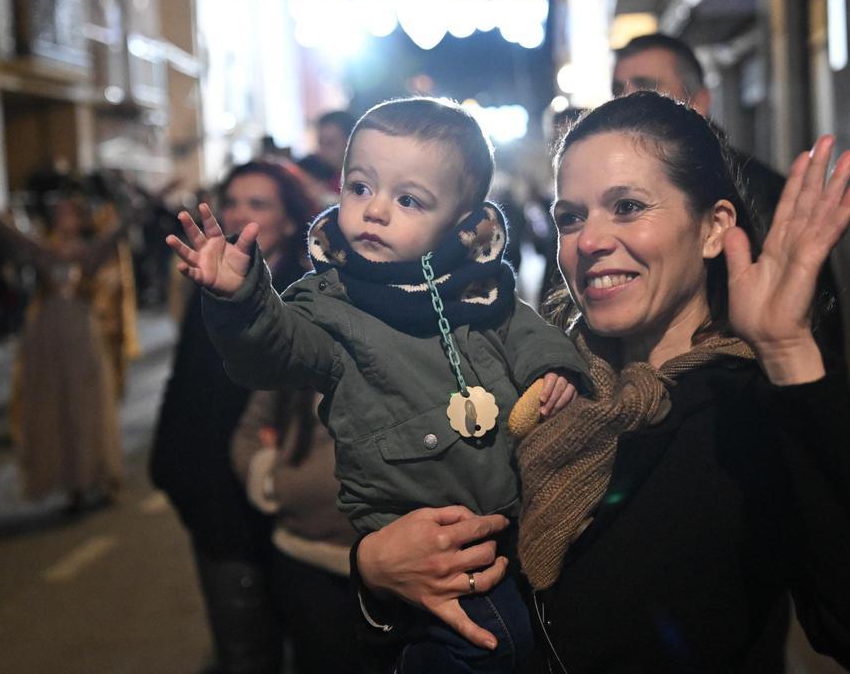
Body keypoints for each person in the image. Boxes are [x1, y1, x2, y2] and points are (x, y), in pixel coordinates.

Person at [352, 92, 850, 673]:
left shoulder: (752, 405)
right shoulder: (529, 382)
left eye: (629, 207)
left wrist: (789, 352)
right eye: (572, 216)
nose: (590, 240)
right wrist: (375, 570)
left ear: (714, 227)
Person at [169, 97, 591, 673]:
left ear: (464, 223)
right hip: (410, 539)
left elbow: (524, 329)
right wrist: (241, 299)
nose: (375, 211)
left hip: (508, 524)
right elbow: (273, 350)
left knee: (519, 640)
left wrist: (554, 368)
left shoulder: (480, 288)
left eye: (409, 199)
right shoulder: (329, 304)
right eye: (360, 187)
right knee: (482, 644)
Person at [149, 160, 318, 674]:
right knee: (244, 648)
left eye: (259, 204)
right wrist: (172, 468)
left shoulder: (315, 293)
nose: (241, 214)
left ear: (289, 221)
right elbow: (188, 385)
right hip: (218, 500)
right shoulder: (206, 280)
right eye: (234, 202)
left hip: (295, 503)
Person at [612, 33, 843, 355]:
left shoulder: (758, 193)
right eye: (617, 90)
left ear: (699, 102)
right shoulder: (602, 196)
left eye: (647, 87)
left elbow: (815, 336)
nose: (627, 101)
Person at [0, 178, 138, 509]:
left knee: (89, 404)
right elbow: (3, 227)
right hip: (49, 335)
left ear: (80, 219)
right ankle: (72, 484)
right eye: (59, 213)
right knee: (58, 405)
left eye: (69, 213)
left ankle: (101, 475)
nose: (64, 218)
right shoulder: (41, 248)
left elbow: (121, 229)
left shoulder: (90, 251)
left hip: (81, 332)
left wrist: (153, 200)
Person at [229, 387, 362, 673]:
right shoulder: (293, 354)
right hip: (308, 560)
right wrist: (271, 482)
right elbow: (248, 435)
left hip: (402, 560)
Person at [297, 110, 356, 200]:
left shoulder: (360, 180)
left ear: (351, 142)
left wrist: (324, 197)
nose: (322, 150)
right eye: (321, 143)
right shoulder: (325, 175)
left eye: (330, 143)